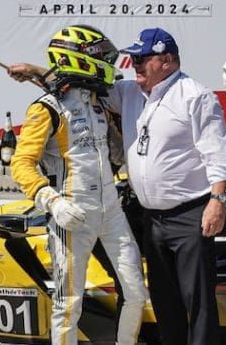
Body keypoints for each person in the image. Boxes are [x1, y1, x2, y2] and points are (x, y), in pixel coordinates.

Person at [9, 27, 226, 345]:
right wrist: (35, 71)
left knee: (169, 297)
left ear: (166, 60)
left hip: (175, 213)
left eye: (143, 58)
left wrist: (217, 198)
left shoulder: (190, 95)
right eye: (133, 58)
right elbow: (73, 90)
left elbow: (217, 152)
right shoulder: (113, 95)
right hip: (114, 214)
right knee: (105, 301)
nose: (134, 64)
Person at [9, 25, 147, 345]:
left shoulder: (99, 100)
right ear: (78, 60)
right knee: (68, 302)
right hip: (72, 211)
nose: (110, 64)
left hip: (111, 208)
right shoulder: (45, 108)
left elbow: (118, 146)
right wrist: (52, 201)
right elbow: (20, 163)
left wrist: (35, 71)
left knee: (137, 293)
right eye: (103, 58)